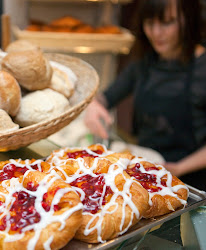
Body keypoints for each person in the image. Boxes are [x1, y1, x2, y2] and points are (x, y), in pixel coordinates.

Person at [84, 0, 206, 190]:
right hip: (148, 174)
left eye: (167, 22)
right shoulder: (144, 62)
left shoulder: (202, 67)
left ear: (188, 19)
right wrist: (93, 106)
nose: (156, 33)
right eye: (150, 23)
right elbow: (106, 97)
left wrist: (179, 168)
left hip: (194, 183)